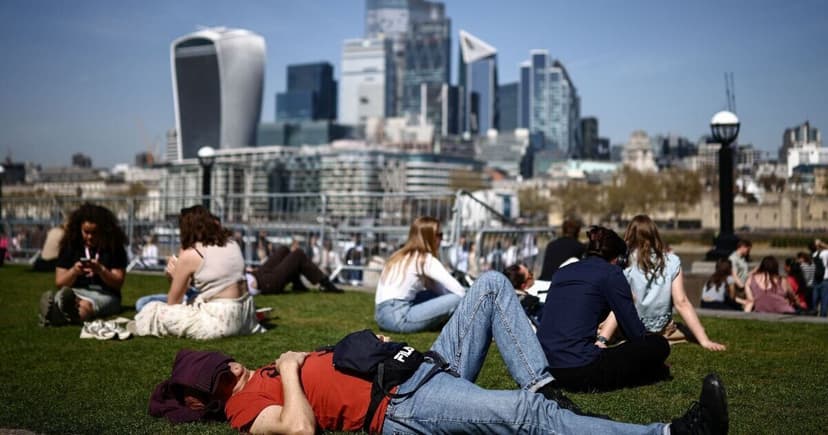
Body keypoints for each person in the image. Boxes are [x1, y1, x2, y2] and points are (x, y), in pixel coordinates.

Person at [153, 271, 730, 435]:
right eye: (219, 370)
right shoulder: (244, 409)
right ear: (209, 389)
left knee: (490, 286)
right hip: (403, 402)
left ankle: (546, 387)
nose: (229, 364)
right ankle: (671, 434)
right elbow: (301, 429)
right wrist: (288, 368)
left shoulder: (251, 377)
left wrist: (365, 345)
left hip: (419, 365)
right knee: (524, 416)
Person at [537, 226, 672, 392]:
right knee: (659, 344)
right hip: (580, 369)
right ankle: (656, 370)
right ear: (619, 259)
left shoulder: (561, 272)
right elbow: (635, 333)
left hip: (546, 367)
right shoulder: (611, 273)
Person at [133, 205, 264, 339]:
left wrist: (174, 275)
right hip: (247, 315)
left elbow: (173, 303)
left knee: (151, 308)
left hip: (222, 320)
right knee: (186, 300)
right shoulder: (231, 243)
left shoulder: (190, 253)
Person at [600, 215, 726, 351]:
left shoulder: (624, 263)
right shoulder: (672, 261)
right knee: (685, 329)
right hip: (662, 330)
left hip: (630, 329)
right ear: (654, 234)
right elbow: (681, 302)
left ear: (629, 235)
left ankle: (605, 337)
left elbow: (620, 303)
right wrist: (704, 340)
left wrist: (602, 338)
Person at [38, 203, 128, 326]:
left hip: (106, 294)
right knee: (67, 297)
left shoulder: (114, 247)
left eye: (95, 233)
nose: (90, 237)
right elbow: (59, 282)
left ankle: (58, 315)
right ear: (79, 229)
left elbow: (118, 283)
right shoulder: (70, 245)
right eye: (86, 232)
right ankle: (61, 312)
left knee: (86, 304)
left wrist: (101, 270)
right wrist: (74, 271)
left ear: (104, 231)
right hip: (74, 291)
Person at [375, 216, 466, 333]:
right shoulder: (424, 259)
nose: (441, 239)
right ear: (429, 237)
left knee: (433, 294)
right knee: (458, 298)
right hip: (399, 318)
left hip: (381, 316)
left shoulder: (399, 255)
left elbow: (437, 290)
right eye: (440, 235)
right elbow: (460, 292)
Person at [247, 243, 342, 294]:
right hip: (263, 283)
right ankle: (324, 282)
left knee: (283, 250)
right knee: (298, 254)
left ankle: (297, 284)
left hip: (256, 274)